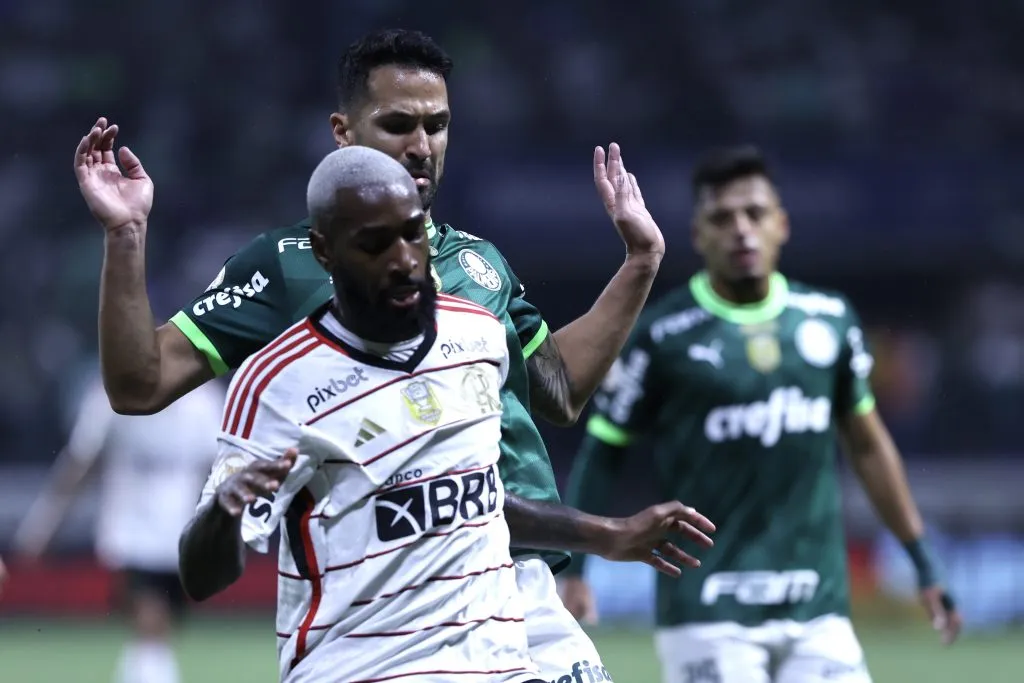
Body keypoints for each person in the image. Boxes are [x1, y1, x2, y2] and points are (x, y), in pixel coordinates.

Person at [75, 29, 666, 679]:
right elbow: (140, 384)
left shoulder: (480, 265)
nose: (420, 145)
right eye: (397, 123)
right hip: (382, 601)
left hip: (514, 580)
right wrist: (127, 237)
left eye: (436, 125)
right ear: (343, 131)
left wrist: (638, 265)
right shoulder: (288, 266)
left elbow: (559, 391)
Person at [178, 146, 714, 682]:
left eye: (412, 234)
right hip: (364, 667)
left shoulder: (477, 334)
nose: (404, 259)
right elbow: (202, 576)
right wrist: (225, 510)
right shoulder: (277, 383)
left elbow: (474, 498)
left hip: (494, 656)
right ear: (325, 251)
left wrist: (610, 534)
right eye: (374, 244)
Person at [561, 146, 961, 683]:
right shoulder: (661, 336)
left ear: (782, 225)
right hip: (706, 610)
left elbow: (868, 446)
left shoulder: (830, 322)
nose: (741, 230)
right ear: (699, 235)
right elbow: (603, 452)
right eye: (722, 218)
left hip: (817, 610)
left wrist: (924, 561)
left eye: (755, 214)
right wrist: (577, 568)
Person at [12, 371, 223, 683]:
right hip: (131, 532)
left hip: (179, 532)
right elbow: (81, 463)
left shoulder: (202, 400)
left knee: (155, 631)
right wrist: (44, 525)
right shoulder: (112, 396)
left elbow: (220, 469)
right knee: (149, 625)